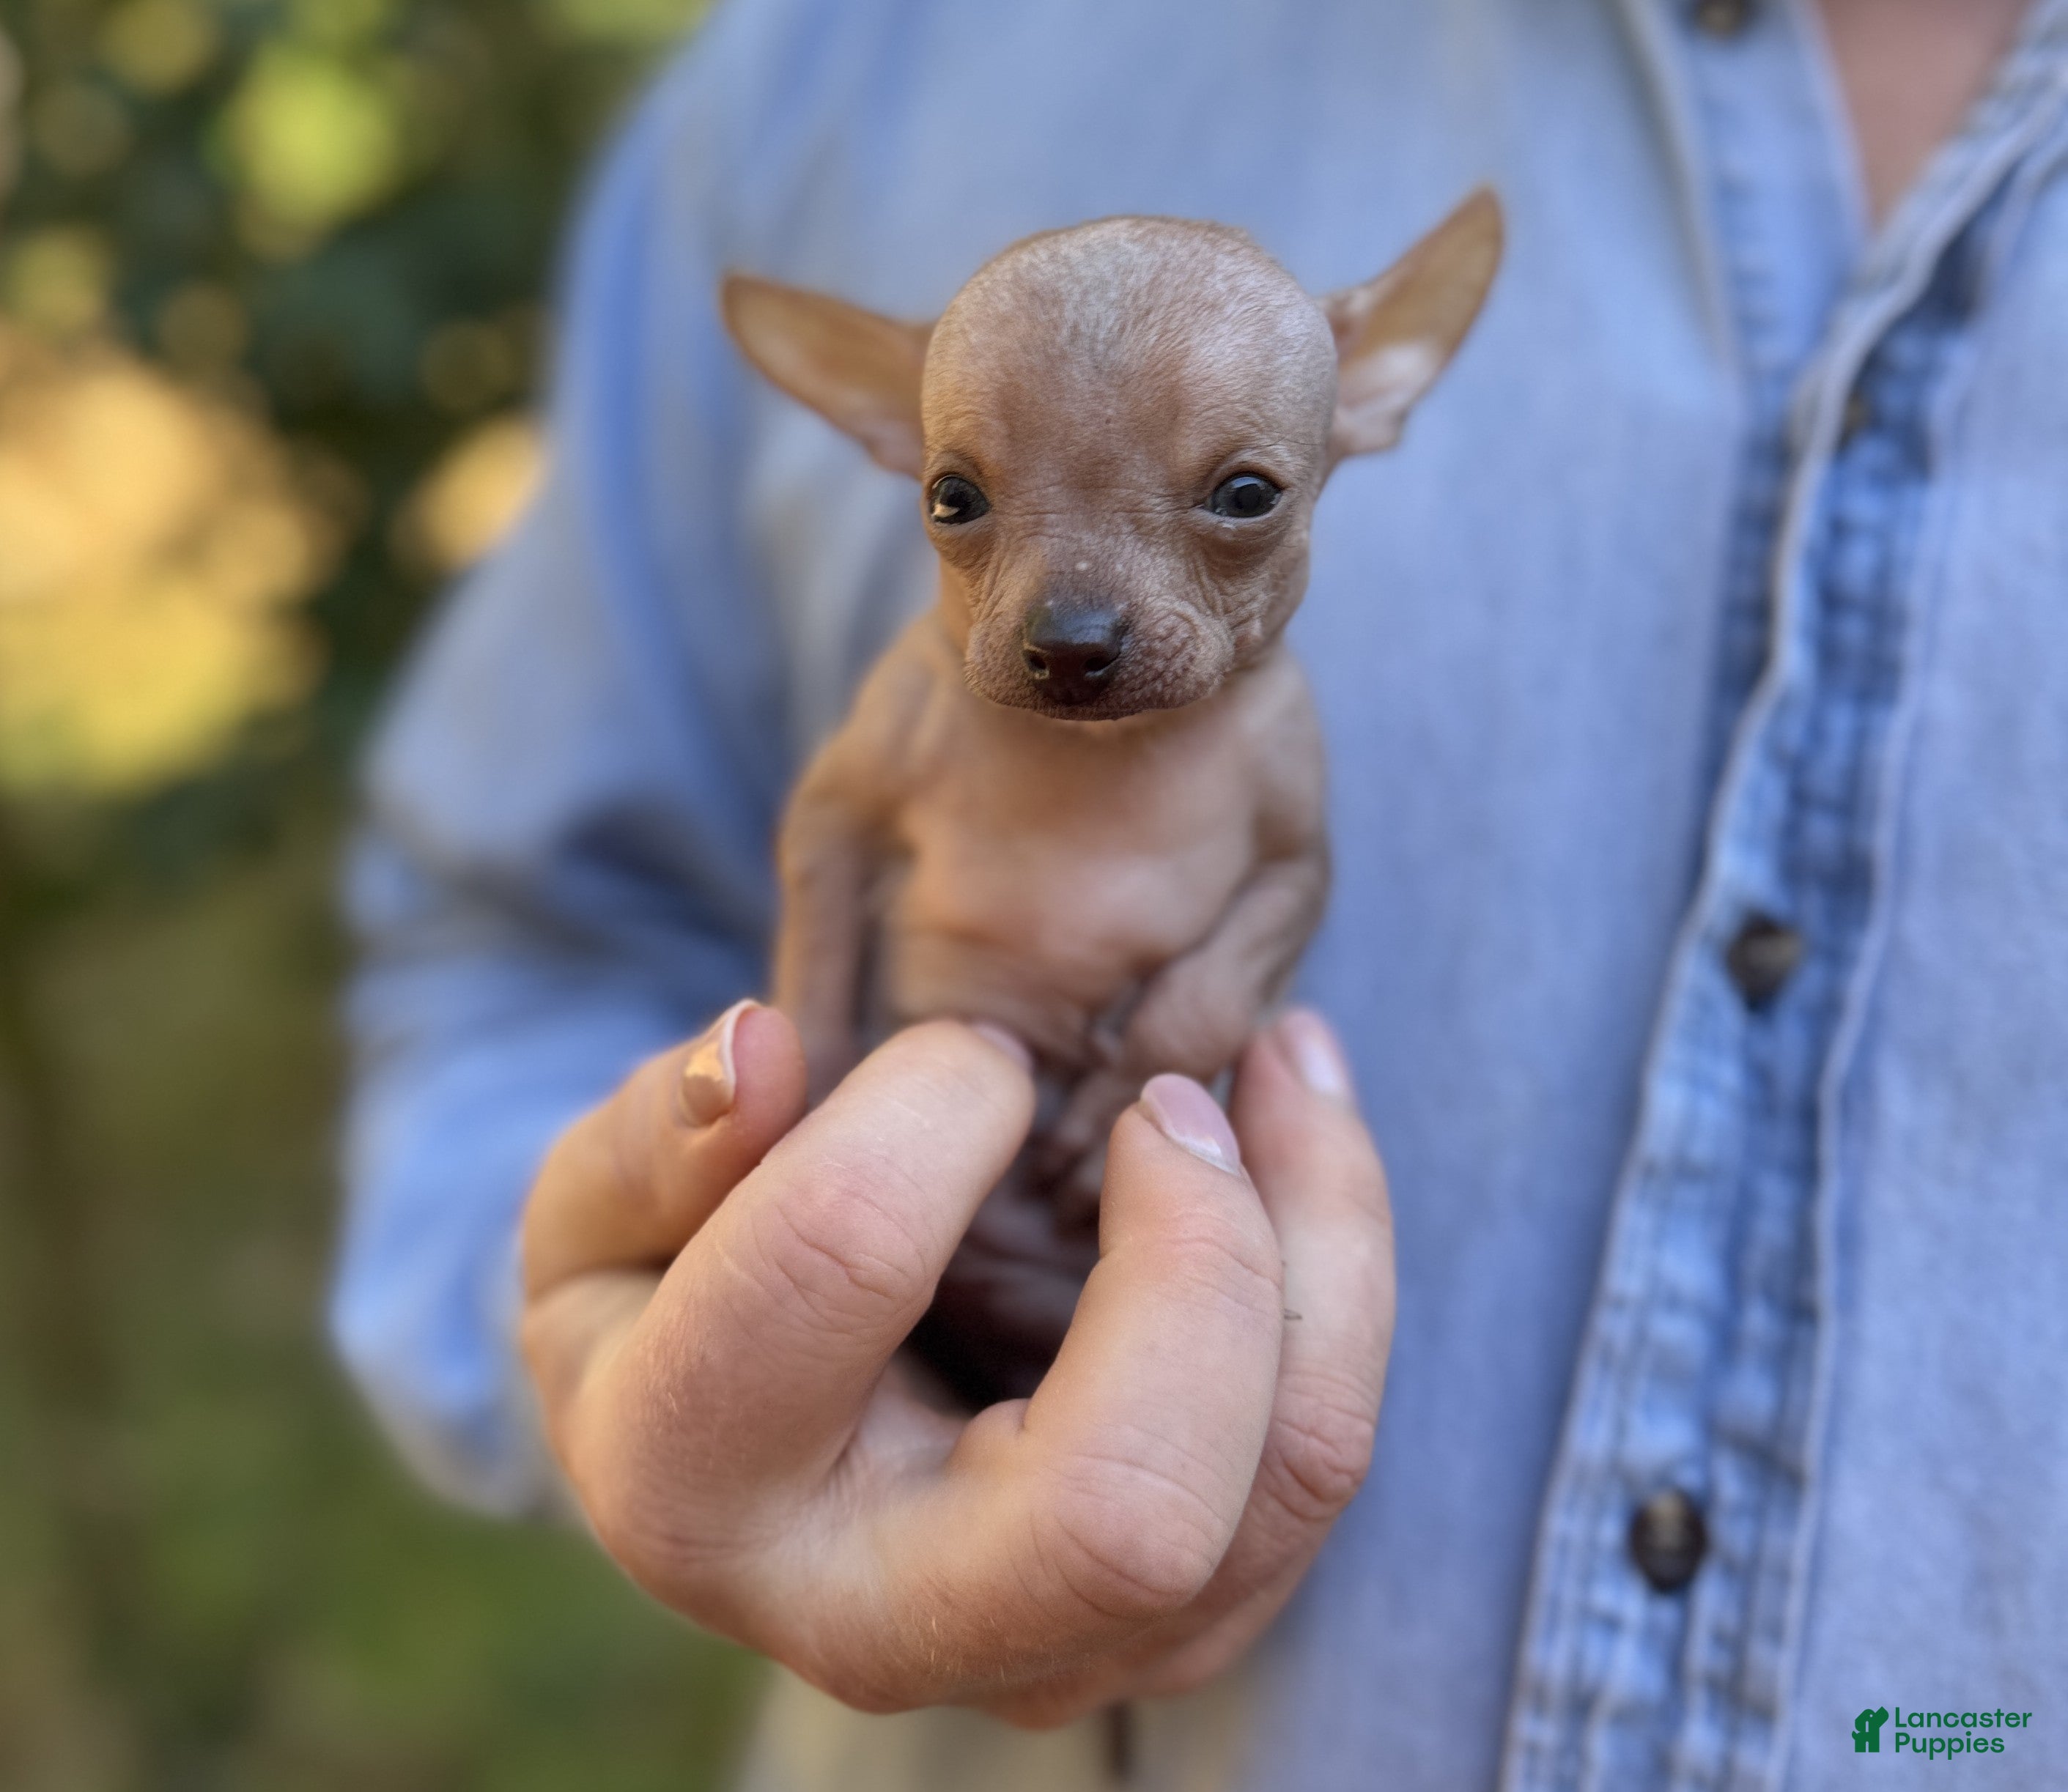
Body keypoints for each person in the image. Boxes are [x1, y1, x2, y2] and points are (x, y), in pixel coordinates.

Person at [334, 0, 2068, 1785]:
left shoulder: (1264, 719)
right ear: (883, 424)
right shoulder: (850, 64)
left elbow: (1284, 866)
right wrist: (674, 1326)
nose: (1072, 619)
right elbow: (515, 950)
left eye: (1232, 500)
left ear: (1375, 386)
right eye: (963, 504)